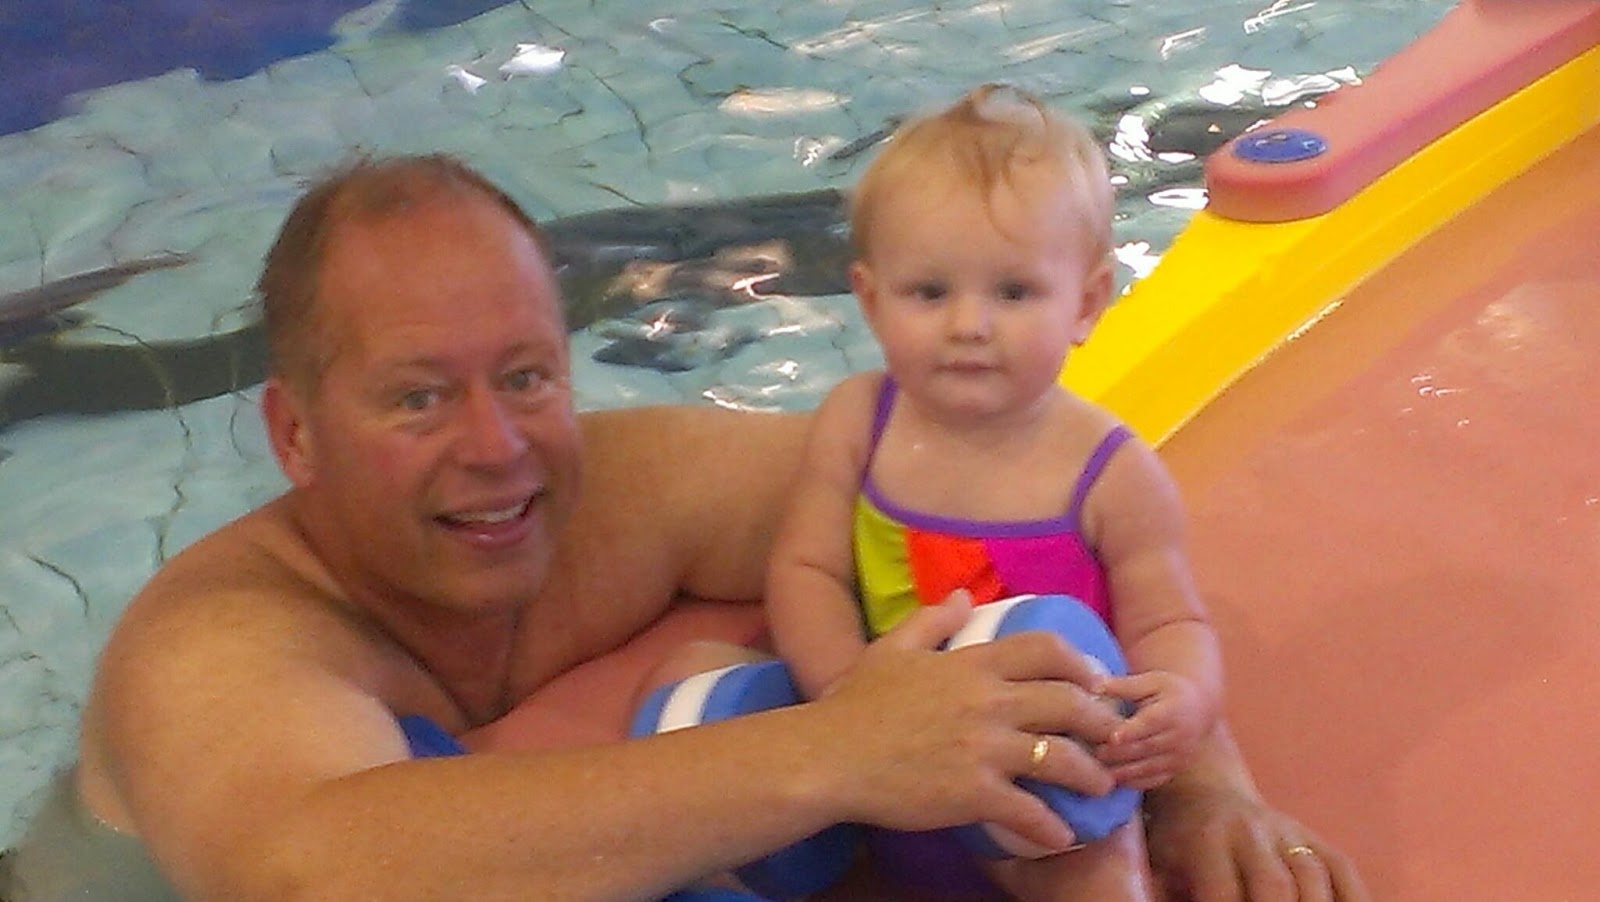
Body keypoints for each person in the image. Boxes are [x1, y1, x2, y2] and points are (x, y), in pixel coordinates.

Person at [0, 154, 1365, 902]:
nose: (497, 445)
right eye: (417, 396)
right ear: (294, 434)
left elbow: (1015, 533)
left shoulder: (622, 483)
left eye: (526, 376)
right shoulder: (218, 640)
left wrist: (1194, 779)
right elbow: (314, 866)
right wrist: (837, 750)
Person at [759, 85, 1219, 898]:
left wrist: (1182, 699)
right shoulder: (858, 422)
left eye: (1013, 292)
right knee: (701, 687)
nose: (969, 324)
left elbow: (1170, 620)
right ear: (871, 299)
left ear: (1086, 303)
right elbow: (807, 572)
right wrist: (844, 698)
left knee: (1098, 875)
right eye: (930, 292)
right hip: (878, 776)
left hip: (1043, 802)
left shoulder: (1111, 472)